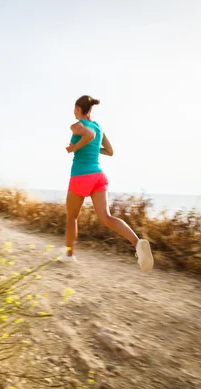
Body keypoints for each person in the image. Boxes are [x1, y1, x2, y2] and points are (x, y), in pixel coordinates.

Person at [59, 95, 154, 272]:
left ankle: (69, 255)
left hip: (81, 175)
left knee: (72, 217)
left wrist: (74, 148)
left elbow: (89, 134)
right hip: (98, 175)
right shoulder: (98, 126)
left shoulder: (77, 125)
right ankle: (137, 243)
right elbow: (109, 151)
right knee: (106, 218)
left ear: (79, 109)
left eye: (74, 109)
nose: (73, 112)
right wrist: (92, 148)